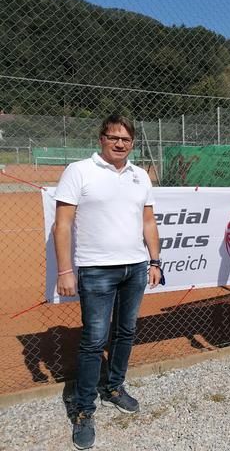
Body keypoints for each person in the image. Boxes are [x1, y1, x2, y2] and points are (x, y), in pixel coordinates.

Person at [53, 114, 161, 449]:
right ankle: (84, 409)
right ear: (101, 138)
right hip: (96, 270)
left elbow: (148, 221)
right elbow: (63, 224)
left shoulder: (139, 175)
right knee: (93, 339)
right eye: (113, 137)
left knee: (126, 331)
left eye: (125, 139)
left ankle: (114, 387)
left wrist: (155, 260)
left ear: (132, 143)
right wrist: (64, 271)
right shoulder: (79, 171)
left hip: (135, 268)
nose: (119, 143)